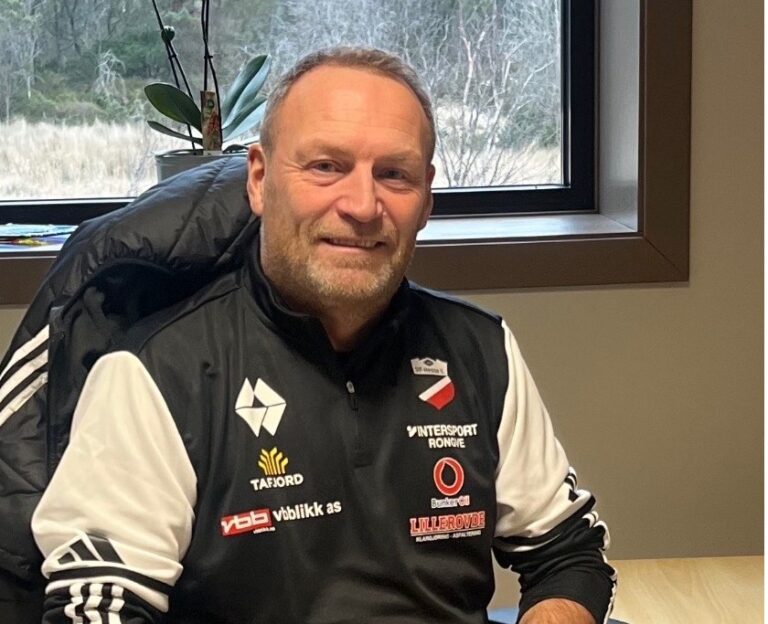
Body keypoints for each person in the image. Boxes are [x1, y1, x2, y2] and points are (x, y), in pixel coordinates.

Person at [31, 47, 616, 624]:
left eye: (394, 174)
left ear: (427, 199)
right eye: (326, 167)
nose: (362, 205)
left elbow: (569, 556)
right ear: (259, 180)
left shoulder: (480, 350)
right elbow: (99, 610)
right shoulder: (154, 374)